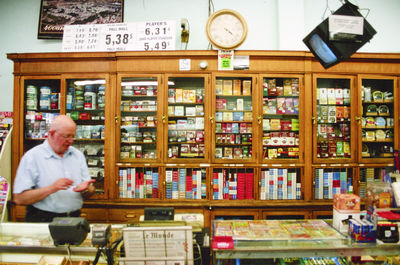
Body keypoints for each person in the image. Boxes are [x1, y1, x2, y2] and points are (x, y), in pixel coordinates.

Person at [13, 115, 95, 222]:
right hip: (43, 219)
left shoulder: (77, 156)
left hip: (73, 219)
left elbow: (90, 190)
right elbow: (19, 198)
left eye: (73, 136)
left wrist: (86, 190)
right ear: (51, 134)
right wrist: (52, 188)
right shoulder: (33, 156)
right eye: (66, 136)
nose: (71, 141)